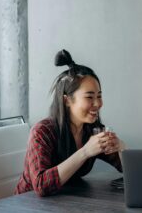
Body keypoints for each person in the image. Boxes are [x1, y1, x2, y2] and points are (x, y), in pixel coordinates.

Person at [15, 49, 125, 196]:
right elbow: (41, 185)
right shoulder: (42, 132)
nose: (98, 103)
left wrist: (122, 148)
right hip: (26, 204)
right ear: (67, 100)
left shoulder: (92, 130)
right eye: (89, 97)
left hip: (64, 202)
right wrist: (85, 151)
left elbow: (129, 170)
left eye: (99, 96)